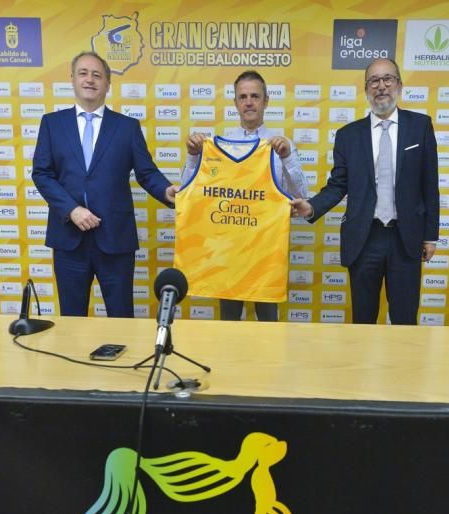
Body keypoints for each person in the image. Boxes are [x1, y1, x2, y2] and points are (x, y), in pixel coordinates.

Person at [291, 58, 439, 325]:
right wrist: (312, 207)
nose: (381, 86)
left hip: (406, 240)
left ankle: (403, 368)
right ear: (366, 89)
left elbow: (430, 185)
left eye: (388, 79)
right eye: (374, 80)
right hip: (364, 239)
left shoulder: (421, 126)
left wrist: (430, 236)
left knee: (406, 322)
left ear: (399, 84)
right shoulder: (348, 135)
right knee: (363, 321)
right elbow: (338, 184)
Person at [32, 51, 177, 318]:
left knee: (122, 318)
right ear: (73, 80)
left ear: (108, 84)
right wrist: (72, 210)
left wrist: (167, 191)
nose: (90, 80)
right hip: (68, 240)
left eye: (97, 75)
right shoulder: (52, 124)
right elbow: (41, 174)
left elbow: (147, 173)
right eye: (83, 73)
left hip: (115, 241)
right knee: (71, 320)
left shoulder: (127, 127)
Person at [181, 70, 307, 321]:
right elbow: (187, 192)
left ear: (266, 101)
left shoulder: (281, 145)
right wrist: (194, 155)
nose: (249, 102)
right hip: (228, 251)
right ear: (235, 102)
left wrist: (287, 157)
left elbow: (302, 196)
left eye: (255, 96)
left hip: (267, 253)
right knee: (228, 322)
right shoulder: (218, 144)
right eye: (243, 97)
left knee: (269, 322)